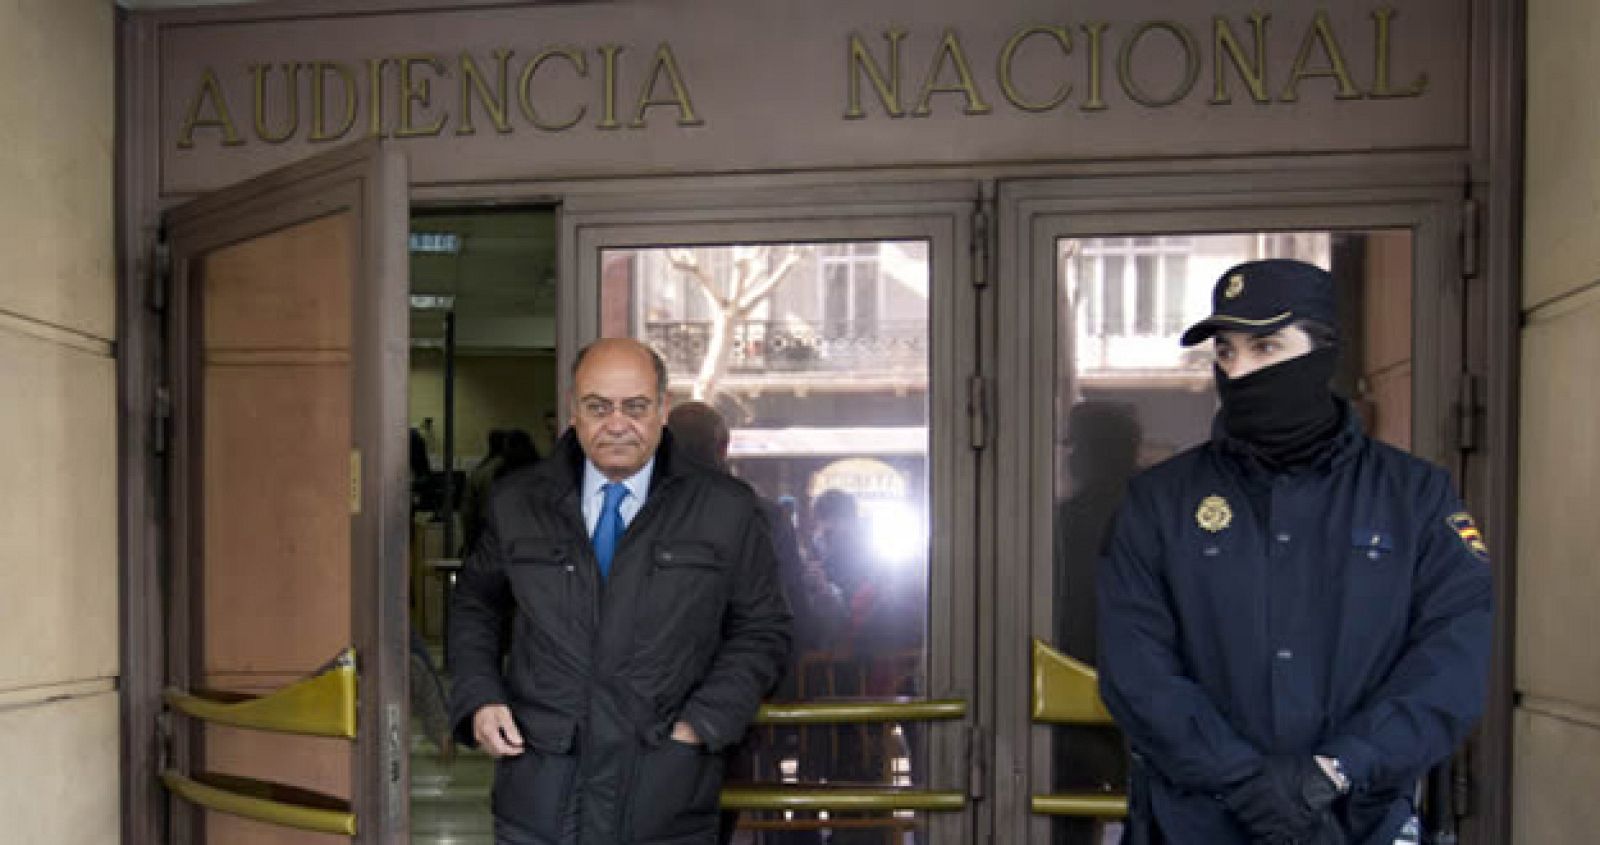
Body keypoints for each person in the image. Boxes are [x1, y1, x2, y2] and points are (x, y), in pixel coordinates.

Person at [1096, 259, 1493, 845]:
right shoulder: (1159, 502)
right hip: (1197, 825)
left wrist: (1334, 772)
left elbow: (1451, 662)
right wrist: (1245, 782)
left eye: (1266, 347)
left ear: (1324, 351)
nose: (1241, 369)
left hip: (1362, 822)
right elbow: (1136, 669)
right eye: (1227, 352)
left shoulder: (1415, 497)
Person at [448, 338, 792, 845]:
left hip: (664, 794)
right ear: (574, 409)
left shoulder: (726, 509)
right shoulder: (518, 503)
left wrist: (703, 723)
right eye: (597, 407)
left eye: (635, 406)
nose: (616, 423)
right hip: (540, 795)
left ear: (662, 409)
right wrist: (480, 696)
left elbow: (762, 629)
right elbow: (475, 604)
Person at [665, 400, 818, 845]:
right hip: (737, 698)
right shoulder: (763, 515)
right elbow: (792, 615)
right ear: (723, 447)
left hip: (654, 700)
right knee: (720, 808)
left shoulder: (638, 514)